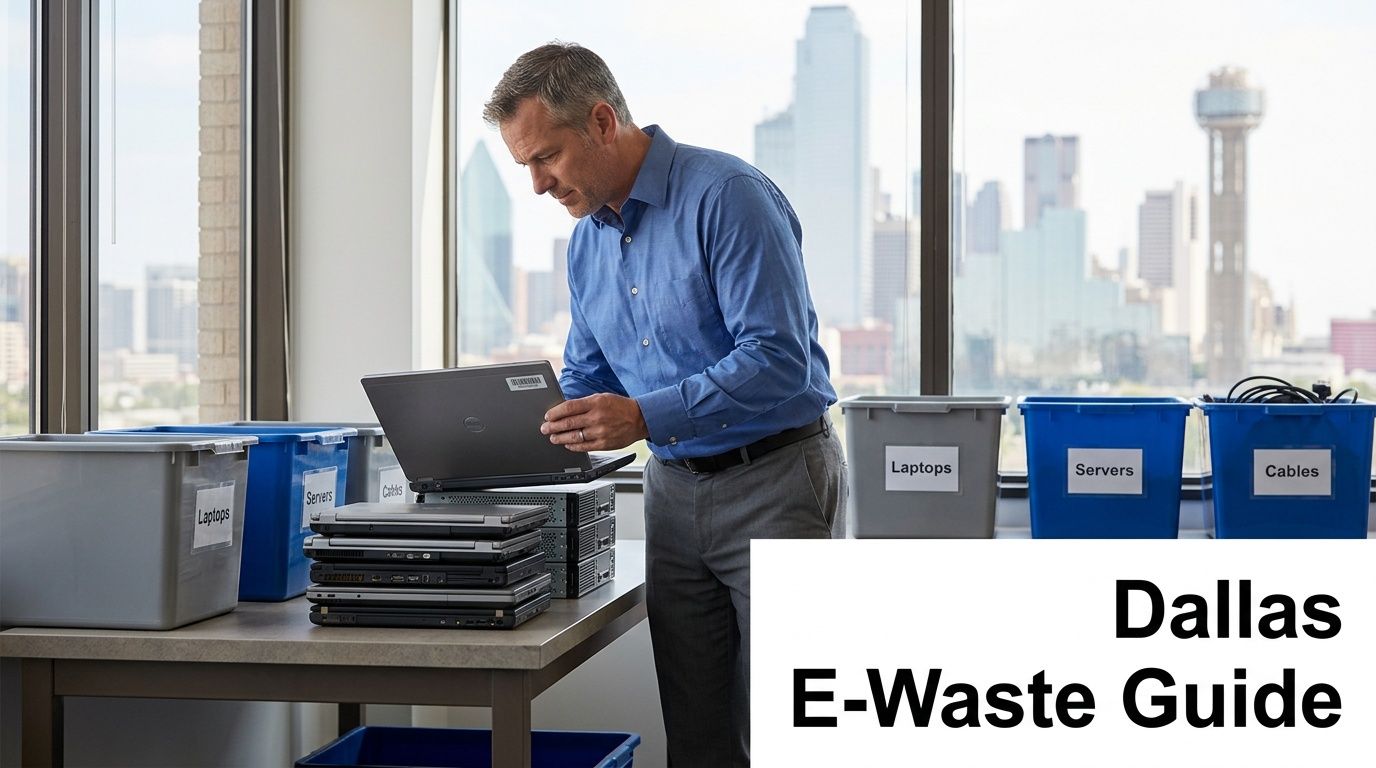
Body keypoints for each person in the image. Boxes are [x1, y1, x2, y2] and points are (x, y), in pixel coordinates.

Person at [484, 42, 846, 766]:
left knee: (791, 728)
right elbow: (589, 375)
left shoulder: (728, 197)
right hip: (672, 495)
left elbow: (778, 360)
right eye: (524, 165)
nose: (536, 184)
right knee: (697, 731)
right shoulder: (587, 245)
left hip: (775, 484)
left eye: (545, 157)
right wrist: (509, 430)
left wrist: (645, 417)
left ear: (601, 121)